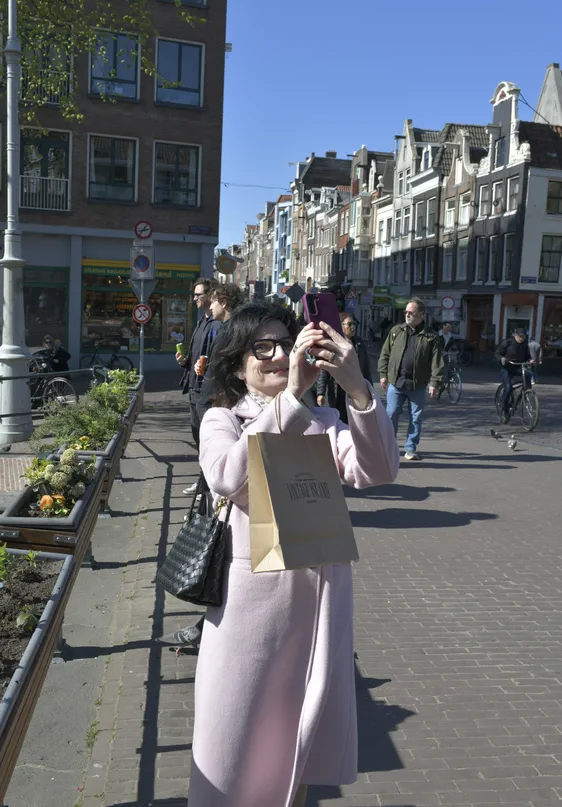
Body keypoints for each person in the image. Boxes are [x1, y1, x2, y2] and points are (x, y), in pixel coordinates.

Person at [186, 302, 398, 807]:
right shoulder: (223, 419)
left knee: (299, 752)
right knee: (239, 751)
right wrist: (290, 400)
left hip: (319, 612)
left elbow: (378, 469)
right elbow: (230, 478)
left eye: (286, 343)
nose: (280, 355)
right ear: (238, 364)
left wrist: (358, 390)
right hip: (252, 620)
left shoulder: (323, 420)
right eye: (262, 347)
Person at [159, 282, 243, 651]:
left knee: (230, 555)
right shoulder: (211, 325)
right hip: (214, 405)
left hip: (220, 411)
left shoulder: (231, 329)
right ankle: (210, 627)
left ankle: (212, 630)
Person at [378, 297, 444, 461]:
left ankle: (410, 448)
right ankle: (389, 446)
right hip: (397, 382)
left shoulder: (431, 336)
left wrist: (434, 383)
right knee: (391, 414)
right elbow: (385, 353)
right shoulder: (396, 331)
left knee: (416, 418)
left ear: (420, 315)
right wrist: (383, 374)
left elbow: (437, 362)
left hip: (418, 385)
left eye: (410, 312)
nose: (407, 315)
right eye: (405, 312)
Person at [176, 278, 221, 494]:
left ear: (210, 295)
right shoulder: (202, 321)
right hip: (195, 388)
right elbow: (198, 355)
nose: (194, 298)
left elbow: (217, 357)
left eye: (198, 295)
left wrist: (206, 365)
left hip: (208, 391)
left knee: (209, 439)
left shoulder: (218, 324)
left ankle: (209, 484)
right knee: (198, 437)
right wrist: (185, 362)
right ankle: (204, 481)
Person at [316, 313, 372, 420]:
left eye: (354, 324)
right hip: (338, 392)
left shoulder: (359, 343)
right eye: (349, 324)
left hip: (355, 392)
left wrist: (370, 389)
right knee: (338, 419)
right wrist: (320, 393)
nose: (353, 327)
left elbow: (365, 368)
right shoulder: (333, 345)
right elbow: (324, 370)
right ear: (340, 326)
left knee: (356, 420)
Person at [496, 328, 533, 417]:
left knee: (528, 374)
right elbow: (497, 354)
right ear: (515, 335)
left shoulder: (525, 345)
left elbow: (527, 356)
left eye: (524, 337)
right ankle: (504, 406)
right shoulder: (507, 343)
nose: (522, 338)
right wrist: (501, 358)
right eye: (520, 336)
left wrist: (530, 360)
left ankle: (526, 392)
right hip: (506, 368)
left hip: (518, 368)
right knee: (508, 387)